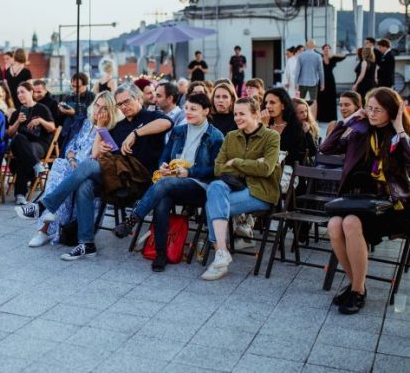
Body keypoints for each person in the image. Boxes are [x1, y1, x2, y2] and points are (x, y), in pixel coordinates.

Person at [15, 84, 173, 260]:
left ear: (138, 98)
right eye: (120, 104)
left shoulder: (151, 116)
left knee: (88, 165)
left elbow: (167, 123)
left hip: (139, 177)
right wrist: (101, 132)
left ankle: (44, 205)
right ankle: (87, 243)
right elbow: (96, 154)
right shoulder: (118, 125)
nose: (124, 106)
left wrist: (135, 133)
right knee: (86, 185)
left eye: (127, 101)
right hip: (117, 176)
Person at [321, 87, 410, 314]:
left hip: (390, 206)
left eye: (377, 110)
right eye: (369, 108)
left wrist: (400, 128)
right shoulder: (359, 131)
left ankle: (357, 291)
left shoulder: (398, 136)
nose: (371, 113)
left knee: (350, 223)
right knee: (334, 224)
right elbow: (326, 147)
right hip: (358, 200)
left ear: (391, 111)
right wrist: (349, 120)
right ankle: (356, 286)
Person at [119, 93, 225, 271]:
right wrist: (163, 165)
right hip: (173, 181)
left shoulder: (216, 137)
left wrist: (189, 172)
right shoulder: (178, 131)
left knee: (165, 184)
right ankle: (161, 254)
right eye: (186, 108)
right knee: (163, 198)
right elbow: (164, 156)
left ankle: (133, 219)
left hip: (199, 185)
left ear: (206, 111)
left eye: (193, 109)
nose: (188, 112)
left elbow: (215, 169)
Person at [201, 97, 281, 280]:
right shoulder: (231, 136)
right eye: (235, 114)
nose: (237, 117)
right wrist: (252, 165)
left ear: (255, 114)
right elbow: (218, 168)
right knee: (215, 187)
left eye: (242, 114)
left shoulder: (271, 137)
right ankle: (222, 252)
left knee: (211, 206)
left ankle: (220, 257)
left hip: (260, 191)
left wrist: (236, 162)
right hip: (233, 187)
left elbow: (266, 169)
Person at [27, 91, 120, 247]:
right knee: (60, 163)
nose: (98, 110)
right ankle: (47, 218)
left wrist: (100, 127)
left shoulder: (110, 129)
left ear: (110, 111)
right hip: (75, 166)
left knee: (63, 172)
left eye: (104, 108)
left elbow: (94, 156)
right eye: (97, 105)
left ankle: (45, 221)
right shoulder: (87, 123)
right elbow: (72, 146)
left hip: (92, 173)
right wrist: (70, 158)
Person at [7, 81, 56, 205]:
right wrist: (18, 122)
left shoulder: (41, 108)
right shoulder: (17, 112)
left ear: (31, 92)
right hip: (22, 144)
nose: (20, 95)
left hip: (40, 143)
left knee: (21, 157)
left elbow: (52, 128)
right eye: (18, 93)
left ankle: (20, 194)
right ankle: (36, 166)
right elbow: (10, 133)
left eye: (22, 92)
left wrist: (40, 120)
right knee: (18, 138)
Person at [261, 88, 307, 166]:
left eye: (272, 102)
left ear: (283, 106)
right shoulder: (262, 123)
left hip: (286, 168)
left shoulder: (294, 127)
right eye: (266, 103)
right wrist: (264, 126)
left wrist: (265, 127)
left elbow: (294, 156)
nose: (267, 106)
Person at [57, 73, 95, 149]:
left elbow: (92, 116)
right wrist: (61, 110)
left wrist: (75, 113)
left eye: (77, 87)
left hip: (84, 131)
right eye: (73, 86)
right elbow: (60, 118)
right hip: (68, 131)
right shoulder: (68, 97)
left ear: (85, 85)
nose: (74, 89)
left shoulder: (92, 97)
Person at [317, 44, 347, 123]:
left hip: (330, 79)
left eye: (328, 49)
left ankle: (330, 118)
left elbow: (344, 56)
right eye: (325, 49)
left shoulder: (332, 58)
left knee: (330, 97)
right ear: (322, 50)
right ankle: (321, 117)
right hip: (321, 79)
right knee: (321, 98)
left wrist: (333, 54)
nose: (326, 50)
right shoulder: (319, 57)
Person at [296, 40, 325, 116]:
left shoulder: (300, 56)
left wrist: (296, 83)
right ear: (314, 46)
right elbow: (321, 71)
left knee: (300, 100)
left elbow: (297, 71)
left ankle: (300, 116)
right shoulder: (318, 56)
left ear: (306, 46)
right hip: (313, 82)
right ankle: (313, 118)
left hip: (302, 82)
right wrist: (322, 84)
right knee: (314, 101)